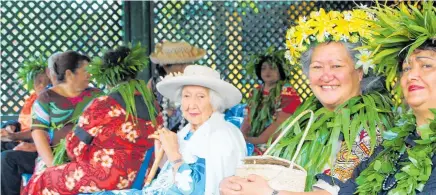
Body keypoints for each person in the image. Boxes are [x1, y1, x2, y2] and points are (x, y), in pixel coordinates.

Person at [220, 8, 394, 195]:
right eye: (317, 67)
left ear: (359, 72)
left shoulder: (368, 125)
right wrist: (238, 185)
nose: (326, 76)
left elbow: (332, 192)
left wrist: (270, 193)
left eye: (336, 66)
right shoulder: (308, 117)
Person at [22, 45, 160, 194]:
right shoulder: (152, 104)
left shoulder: (103, 103)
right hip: (142, 174)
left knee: (43, 179)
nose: (89, 75)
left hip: (106, 177)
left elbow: (74, 148)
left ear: (107, 76)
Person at [95, 65, 246, 195]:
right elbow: (170, 176)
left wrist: (173, 153)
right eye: (186, 96)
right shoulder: (188, 130)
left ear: (214, 103)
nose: (191, 105)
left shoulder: (220, 135)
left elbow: (193, 190)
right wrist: (164, 152)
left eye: (200, 97)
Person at [343, 2, 436, 194]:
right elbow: (348, 189)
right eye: (406, 69)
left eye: (426, 65)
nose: (411, 76)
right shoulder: (391, 145)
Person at [20, 51, 102, 193]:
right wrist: (53, 167)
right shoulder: (46, 98)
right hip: (54, 159)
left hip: (92, 159)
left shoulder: (97, 95)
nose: (90, 75)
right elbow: (39, 134)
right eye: (85, 71)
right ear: (70, 74)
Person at [1, 53, 60, 195]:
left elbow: (54, 132)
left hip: (48, 150)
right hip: (31, 140)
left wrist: (34, 146)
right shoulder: (35, 98)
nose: (39, 85)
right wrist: (11, 126)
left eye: (43, 81)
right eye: (37, 81)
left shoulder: (55, 99)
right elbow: (27, 122)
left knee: (7, 159)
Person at [242, 47, 301, 154]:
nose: (267, 71)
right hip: (254, 140)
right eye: (263, 68)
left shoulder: (287, 92)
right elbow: (247, 118)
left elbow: (281, 123)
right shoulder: (255, 91)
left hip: (276, 143)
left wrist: (258, 140)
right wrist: (242, 137)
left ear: (281, 71)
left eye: (272, 68)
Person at [148, 41, 206, 132]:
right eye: (182, 63)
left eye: (189, 62)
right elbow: (147, 113)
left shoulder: (196, 83)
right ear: (165, 65)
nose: (186, 66)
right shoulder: (154, 83)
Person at [1, 57, 51, 151]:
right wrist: (12, 126)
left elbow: (43, 131)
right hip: (20, 137)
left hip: (35, 143)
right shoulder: (32, 99)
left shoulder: (51, 100)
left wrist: (14, 136)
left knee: (6, 157)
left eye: (46, 82)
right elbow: (23, 121)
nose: (42, 86)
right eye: (38, 82)